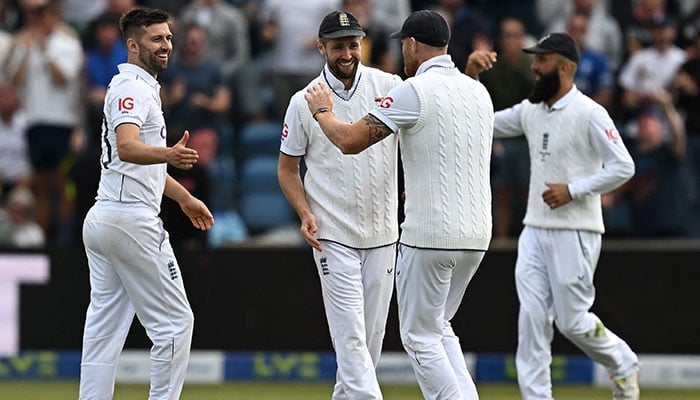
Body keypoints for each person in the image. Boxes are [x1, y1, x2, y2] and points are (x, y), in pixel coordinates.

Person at [304, 10, 494, 399]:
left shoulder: (413, 90)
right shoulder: (477, 90)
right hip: (477, 236)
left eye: (402, 45)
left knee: (420, 336)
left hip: (431, 235)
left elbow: (349, 142)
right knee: (439, 326)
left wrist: (323, 111)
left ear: (411, 45)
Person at [467, 33, 640, 400]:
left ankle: (622, 363)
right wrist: (472, 77)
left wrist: (573, 189)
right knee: (530, 322)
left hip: (576, 230)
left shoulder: (591, 113)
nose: (534, 67)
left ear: (564, 67)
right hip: (534, 230)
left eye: (541, 61)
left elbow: (623, 166)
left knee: (572, 321)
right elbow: (482, 124)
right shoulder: (531, 110)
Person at [78, 8, 214, 400]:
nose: (167, 45)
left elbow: (140, 160)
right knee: (176, 324)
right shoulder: (132, 88)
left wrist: (184, 196)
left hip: (106, 218)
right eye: (157, 39)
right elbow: (128, 147)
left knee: (103, 331)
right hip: (129, 220)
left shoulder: (140, 87)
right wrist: (169, 155)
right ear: (133, 45)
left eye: (169, 37)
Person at [277, 10, 402, 399]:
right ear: (321, 47)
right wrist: (305, 212)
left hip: (382, 232)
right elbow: (286, 169)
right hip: (333, 235)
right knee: (350, 341)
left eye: (353, 44)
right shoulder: (303, 101)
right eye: (338, 46)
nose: (347, 53)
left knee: (368, 349)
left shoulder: (389, 86)